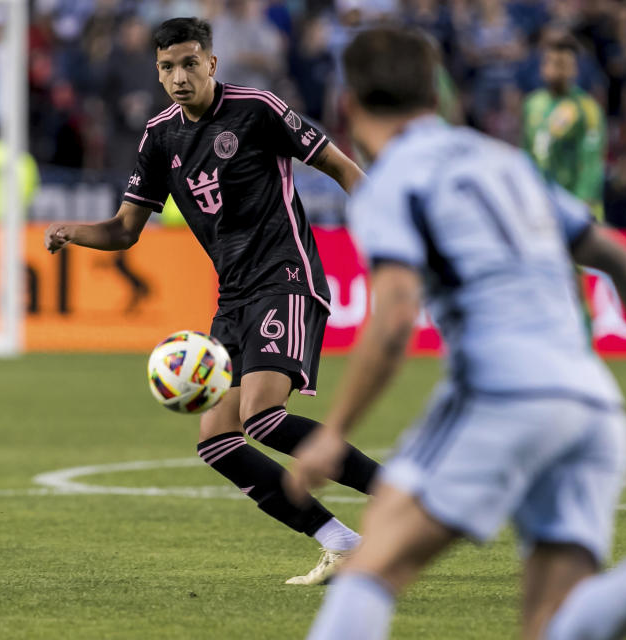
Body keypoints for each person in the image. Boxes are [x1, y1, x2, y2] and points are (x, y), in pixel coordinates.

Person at [289, 27, 626, 640]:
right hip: (593, 406)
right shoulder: (503, 161)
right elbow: (625, 262)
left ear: (350, 106)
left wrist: (332, 433)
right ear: (437, 97)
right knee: (550, 626)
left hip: (501, 395)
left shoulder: (391, 181)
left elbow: (392, 317)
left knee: (372, 568)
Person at [44, 17, 377, 585]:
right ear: (157, 70)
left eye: (189, 63)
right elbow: (126, 230)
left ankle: (405, 501)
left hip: (286, 275)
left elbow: (340, 167)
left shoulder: (257, 109)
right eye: (167, 67)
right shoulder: (160, 136)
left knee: (264, 418)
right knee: (218, 442)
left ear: (211, 64)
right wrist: (76, 231)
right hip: (233, 297)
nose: (179, 76)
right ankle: (340, 543)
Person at [522, 32, 607, 220]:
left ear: (573, 68)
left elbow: (592, 163)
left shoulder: (587, 109)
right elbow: (527, 152)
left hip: (575, 206)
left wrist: (583, 205)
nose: (555, 69)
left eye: (562, 64)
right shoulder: (532, 104)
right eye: (549, 62)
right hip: (541, 206)